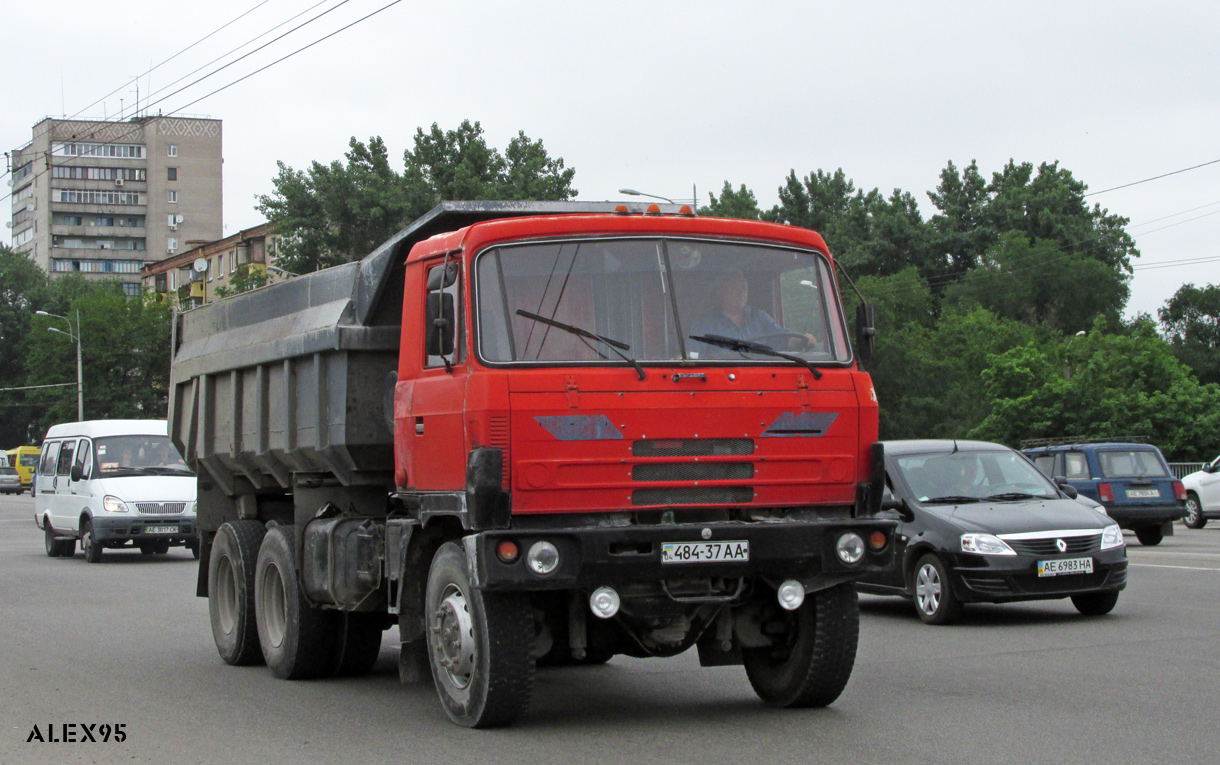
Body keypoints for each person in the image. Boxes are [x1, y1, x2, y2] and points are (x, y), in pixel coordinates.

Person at [688, 270, 816, 358]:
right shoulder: (704, 325)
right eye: (734, 288)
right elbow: (693, 360)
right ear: (721, 292)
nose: (741, 293)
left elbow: (784, 340)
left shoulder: (760, 318)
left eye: (744, 289)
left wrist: (802, 340)